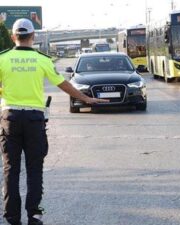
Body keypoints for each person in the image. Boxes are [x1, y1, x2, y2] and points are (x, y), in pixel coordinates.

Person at [0, 18, 109, 225]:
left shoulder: (2, 59)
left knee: (10, 170)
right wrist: (86, 98)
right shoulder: (42, 60)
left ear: (13, 37)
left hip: (10, 119)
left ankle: (12, 218)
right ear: (33, 36)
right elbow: (62, 84)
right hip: (34, 120)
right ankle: (35, 215)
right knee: (34, 169)